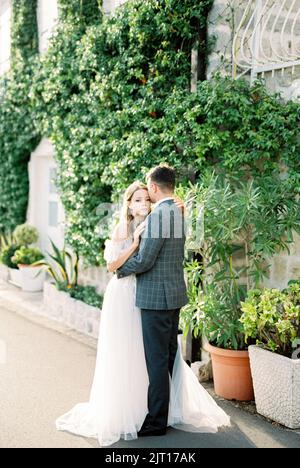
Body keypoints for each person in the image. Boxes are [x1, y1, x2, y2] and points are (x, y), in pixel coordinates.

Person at [56, 165, 230, 447]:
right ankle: (166, 410)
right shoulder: (176, 212)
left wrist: (119, 272)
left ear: (154, 188)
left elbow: (146, 260)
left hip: (156, 298)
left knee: (158, 360)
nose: (145, 200)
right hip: (170, 294)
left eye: (146, 194)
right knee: (167, 355)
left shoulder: (162, 214)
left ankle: (157, 421)